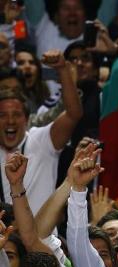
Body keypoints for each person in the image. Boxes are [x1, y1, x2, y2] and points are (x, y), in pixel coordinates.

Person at [0, 50, 82, 214]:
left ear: (26, 119)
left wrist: (62, 68)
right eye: (2, 115)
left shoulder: (41, 140)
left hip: (44, 238)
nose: (10, 121)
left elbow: (74, 114)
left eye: (16, 115)